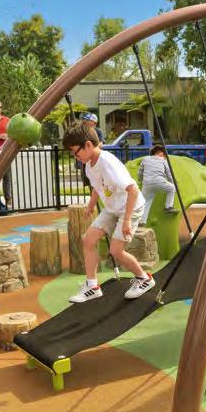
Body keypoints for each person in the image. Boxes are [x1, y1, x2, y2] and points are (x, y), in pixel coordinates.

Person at [62, 125, 154, 302]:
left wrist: (126, 221)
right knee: (88, 240)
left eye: (75, 152)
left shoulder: (108, 163)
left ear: (88, 145)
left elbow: (133, 190)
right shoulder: (89, 166)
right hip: (113, 208)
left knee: (116, 250)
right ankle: (92, 286)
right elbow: (98, 187)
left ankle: (144, 279)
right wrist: (91, 205)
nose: (75, 156)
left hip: (130, 207)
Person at [139, 145, 177, 224]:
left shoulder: (145, 159)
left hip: (147, 184)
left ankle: (142, 221)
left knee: (146, 202)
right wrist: (173, 183)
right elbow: (169, 174)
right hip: (159, 181)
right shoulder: (163, 161)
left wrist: (141, 180)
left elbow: (140, 172)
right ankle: (168, 207)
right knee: (172, 188)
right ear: (161, 154)